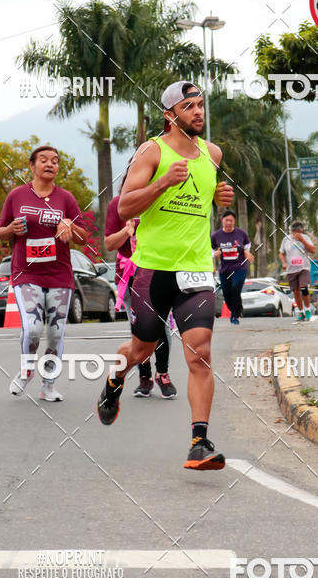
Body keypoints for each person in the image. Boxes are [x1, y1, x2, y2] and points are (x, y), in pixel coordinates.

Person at [96, 80, 234, 470]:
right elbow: (124, 208)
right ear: (169, 115)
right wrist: (161, 182)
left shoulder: (213, 154)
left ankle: (199, 443)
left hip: (195, 271)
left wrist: (216, 198)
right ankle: (114, 382)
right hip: (153, 271)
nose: (198, 112)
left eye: (200, 105)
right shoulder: (152, 151)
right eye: (189, 106)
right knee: (139, 351)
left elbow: (197, 197)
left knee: (200, 354)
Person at [0, 145, 89, 401]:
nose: (50, 164)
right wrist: (11, 229)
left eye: (55, 161)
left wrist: (70, 225)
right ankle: (27, 369)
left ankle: (49, 384)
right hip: (26, 273)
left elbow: (83, 237)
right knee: (34, 328)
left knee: (57, 332)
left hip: (59, 275)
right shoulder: (16, 196)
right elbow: (1, 231)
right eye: (44, 160)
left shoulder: (66, 199)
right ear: (32, 166)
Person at [105, 186, 175, 399]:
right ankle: (144, 377)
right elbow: (109, 244)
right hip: (129, 274)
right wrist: (126, 232)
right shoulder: (117, 204)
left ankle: (162, 373)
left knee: (161, 325)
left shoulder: (161, 199)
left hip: (156, 271)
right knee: (139, 328)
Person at [211, 210, 253, 324]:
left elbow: (247, 244)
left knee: (235, 289)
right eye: (226, 220)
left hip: (239, 268)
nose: (229, 223)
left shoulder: (241, 233)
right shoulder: (216, 235)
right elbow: (208, 248)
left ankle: (235, 315)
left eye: (231, 220)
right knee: (227, 294)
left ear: (234, 221)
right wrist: (213, 254)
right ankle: (237, 309)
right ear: (222, 220)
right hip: (224, 270)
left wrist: (246, 252)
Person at [279, 220, 315, 322]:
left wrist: (302, 240)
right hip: (291, 270)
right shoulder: (286, 240)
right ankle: (300, 312)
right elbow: (281, 253)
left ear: (301, 231)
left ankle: (307, 310)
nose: (296, 234)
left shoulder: (306, 238)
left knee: (304, 288)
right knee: (296, 292)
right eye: (294, 232)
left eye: (298, 232)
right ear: (292, 231)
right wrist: (284, 263)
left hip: (304, 268)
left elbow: (313, 250)